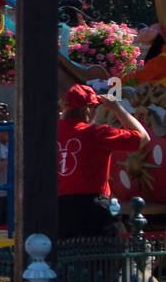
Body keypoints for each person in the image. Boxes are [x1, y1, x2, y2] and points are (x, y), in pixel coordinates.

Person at [58, 84, 149, 239]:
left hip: (59, 207)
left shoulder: (50, 131)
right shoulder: (97, 133)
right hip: (93, 208)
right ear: (88, 108)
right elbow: (143, 138)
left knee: (64, 258)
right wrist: (117, 108)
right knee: (101, 260)